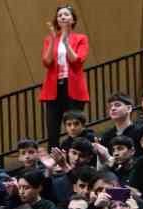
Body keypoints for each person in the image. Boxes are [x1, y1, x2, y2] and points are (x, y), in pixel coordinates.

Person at [40, 6, 89, 149]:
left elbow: (77, 61)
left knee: (74, 124)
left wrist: (66, 42)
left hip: (73, 87)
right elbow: (47, 62)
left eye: (66, 14)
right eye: (59, 15)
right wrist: (53, 40)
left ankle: (77, 153)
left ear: (72, 19)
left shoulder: (81, 38)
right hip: (54, 88)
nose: (62, 17)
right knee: (52, 127)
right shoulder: (50, 39)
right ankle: (53, 160)